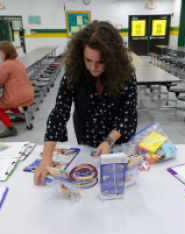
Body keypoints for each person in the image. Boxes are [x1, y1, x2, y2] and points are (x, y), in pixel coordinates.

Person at [34, 20, 137, 186]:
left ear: (113, 59)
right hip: (86, 138)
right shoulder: (74, 73)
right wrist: (46, 158)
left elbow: (128, 115)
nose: (94, 67)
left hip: (117, 143)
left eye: (101, 62)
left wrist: (108, 141)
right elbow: (59, 114)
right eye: (88, 60)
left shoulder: (125, 75)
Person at [0, 41, 35, 138]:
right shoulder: (18, 61)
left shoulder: (4, 65)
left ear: (4, 51)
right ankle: (20, 116)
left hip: (16, 95)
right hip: (28, 93)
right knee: (7, 101)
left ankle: (10, 128)